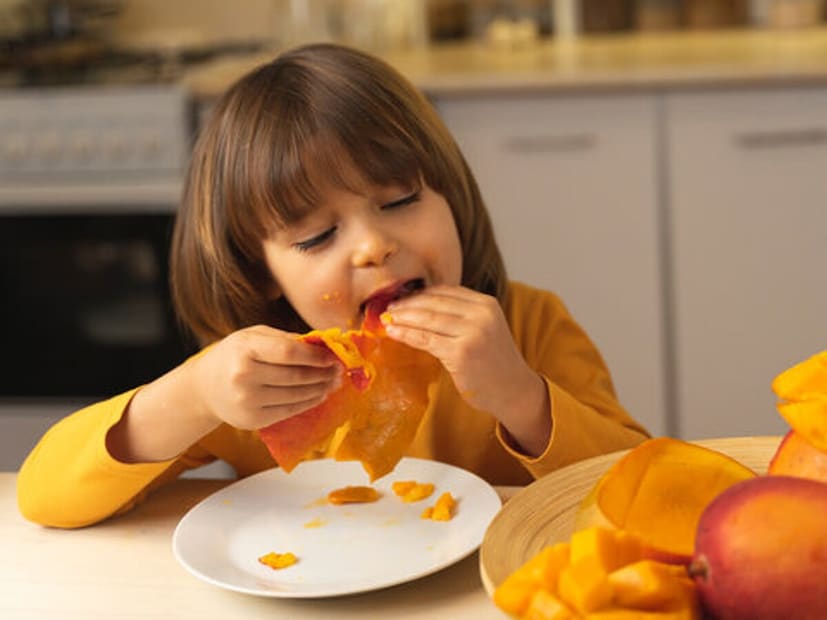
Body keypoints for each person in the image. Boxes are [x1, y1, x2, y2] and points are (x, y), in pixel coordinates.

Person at [18, 43, 648, 528]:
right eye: (318, 236)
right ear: (260, 270)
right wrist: (194, 396)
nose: (374, 246)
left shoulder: (528, 325)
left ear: (451, 196)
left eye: (399, 200)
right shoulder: (255, 378)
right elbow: (43, 496)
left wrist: (522, 398)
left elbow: (645, 494)